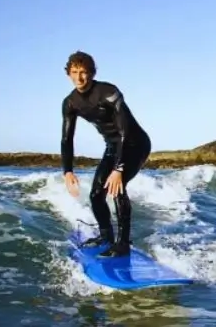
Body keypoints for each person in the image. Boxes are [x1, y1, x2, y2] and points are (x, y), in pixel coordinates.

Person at [60, 51, 152, 258]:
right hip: (112, 147)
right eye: (74, 72)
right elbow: (67, 139)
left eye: (83, 72)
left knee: (117, 188)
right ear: (68, 74)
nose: (79, 78)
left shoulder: (108, 92)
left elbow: (124, 132)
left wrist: (119, 169)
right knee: (95, 195)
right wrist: (67, 171)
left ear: (92, 73)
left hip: (135, 144)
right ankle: (106, 236)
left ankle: (123, 244)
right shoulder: (70, 103)